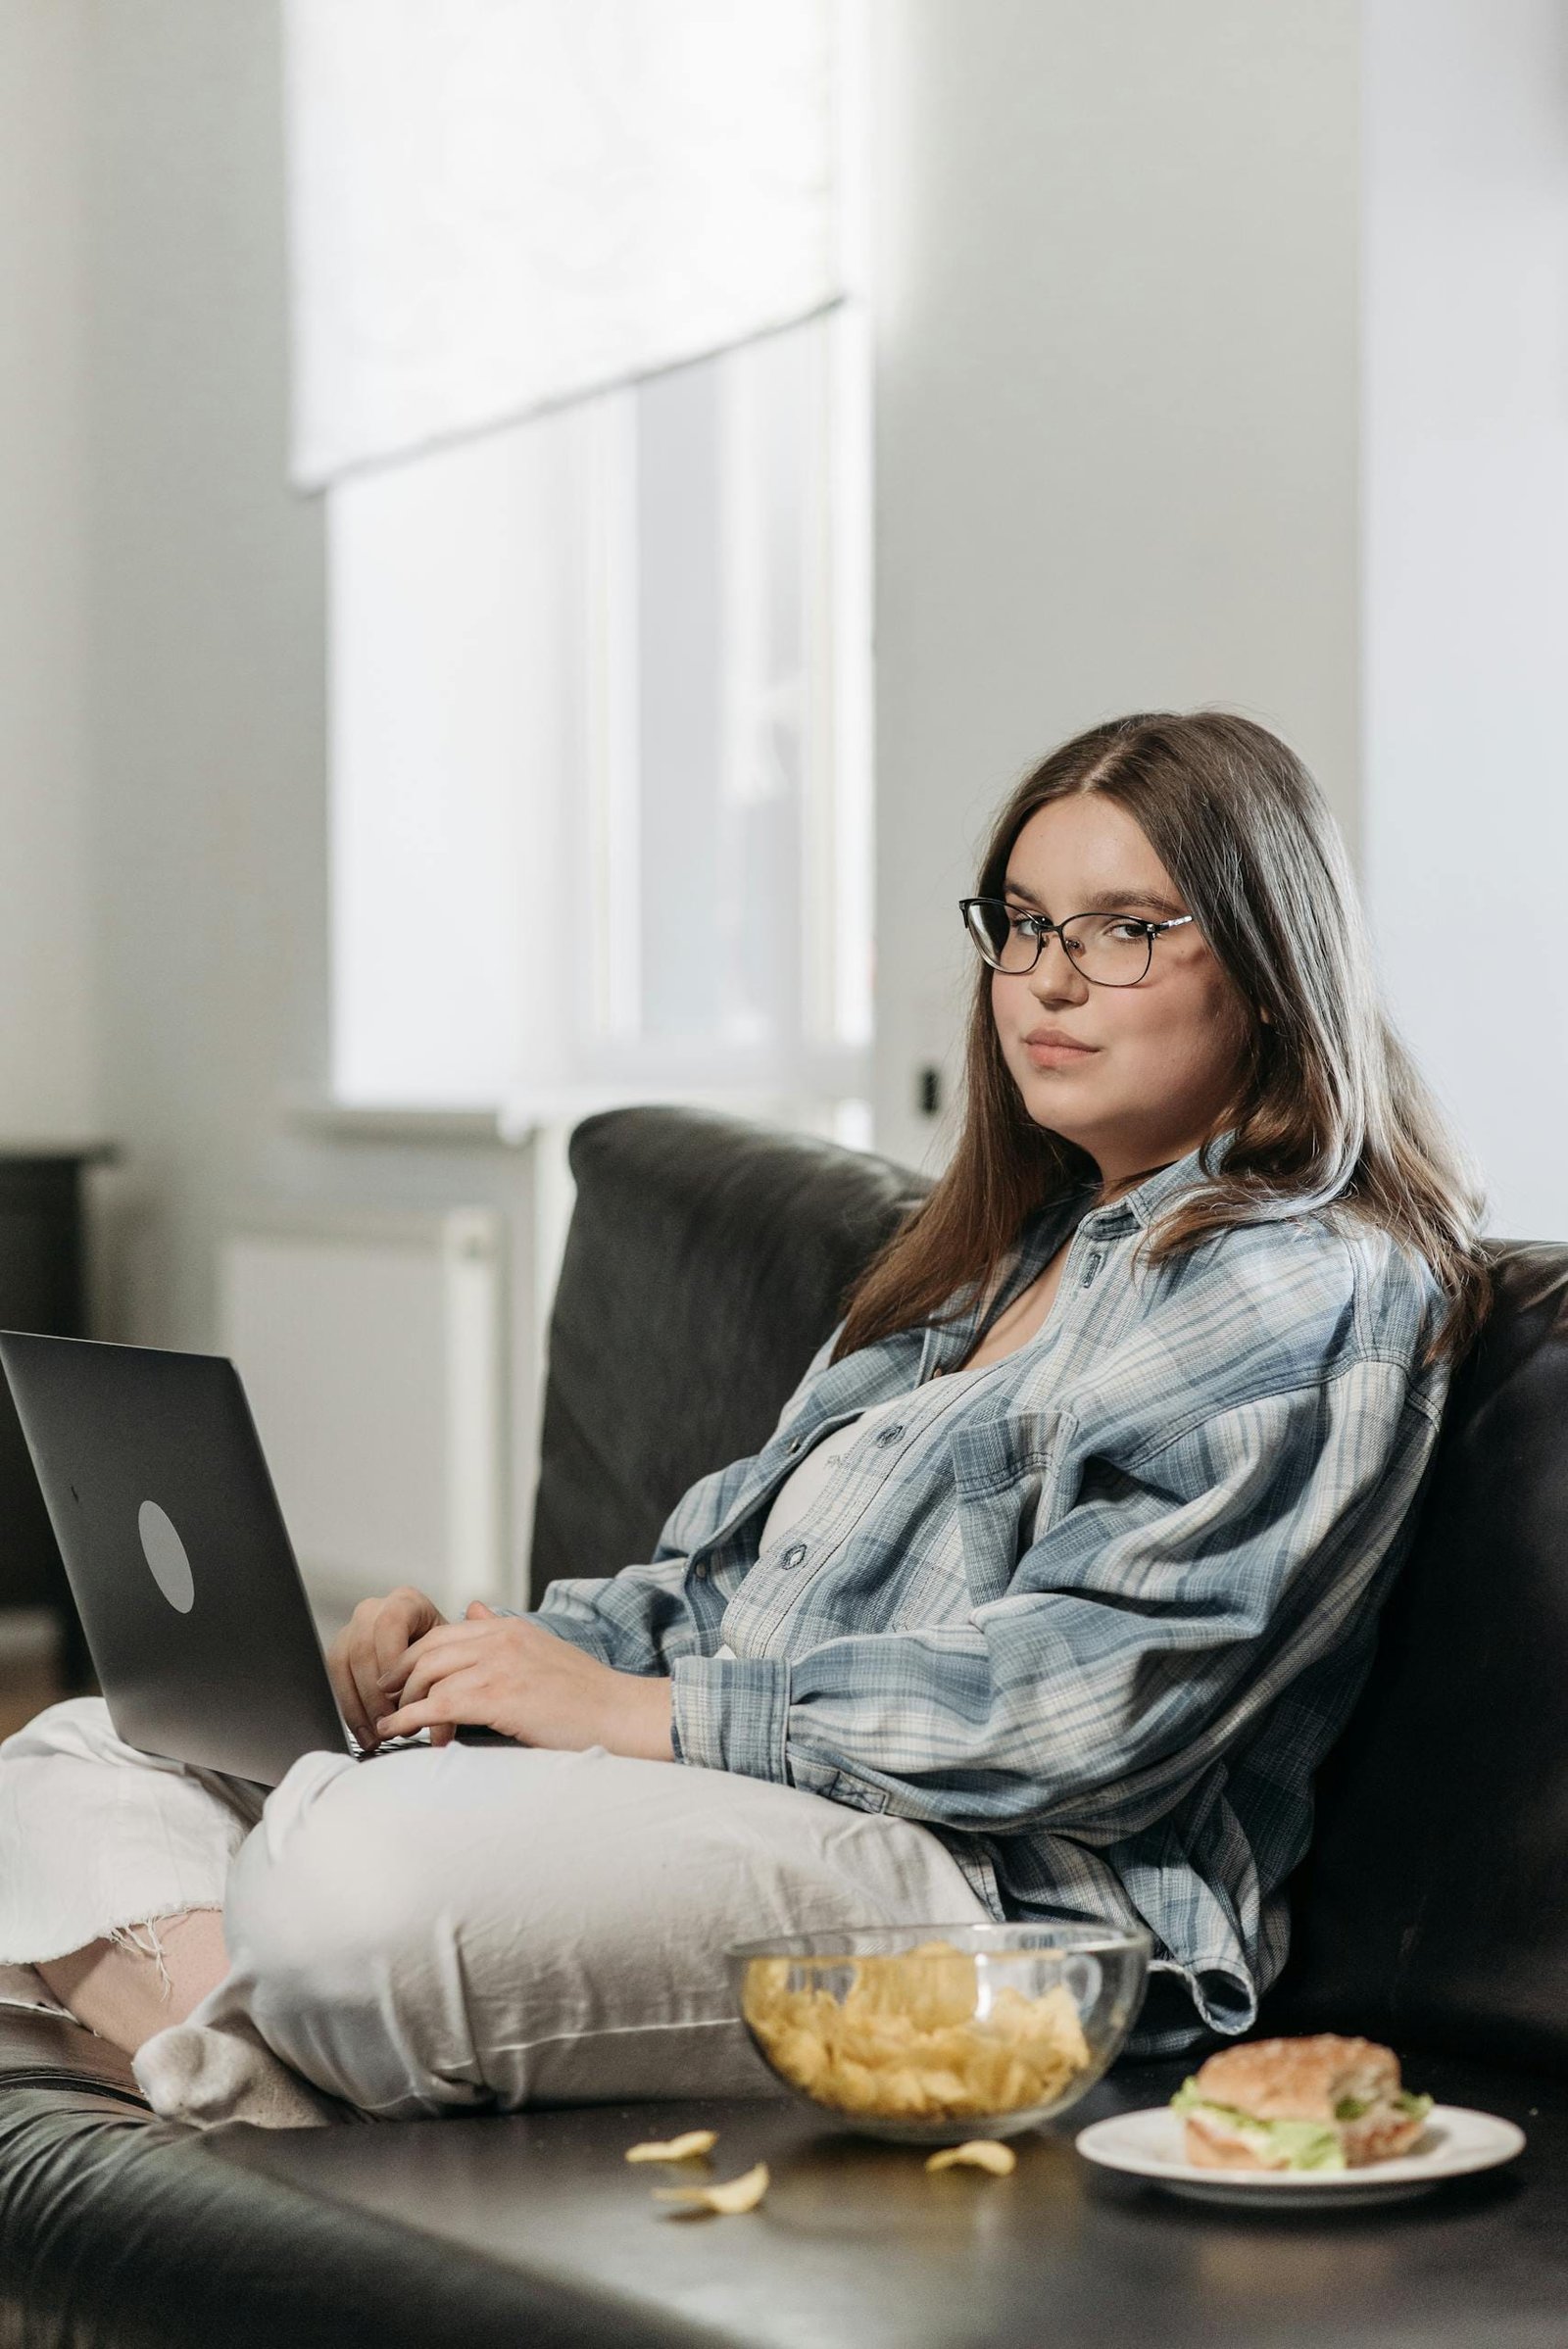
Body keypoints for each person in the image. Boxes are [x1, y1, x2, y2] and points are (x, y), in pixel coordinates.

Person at [0, 710, 1489, 2128]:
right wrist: (488, 1661)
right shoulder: (982, 1267)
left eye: (1121, 927)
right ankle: (260, 2066)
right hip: (746, 1797)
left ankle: (211, 2021)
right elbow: (713, 1592)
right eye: (1023, 923)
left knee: (345, 1873)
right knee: (76, 1754)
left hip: (998, 1900)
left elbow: (1086, 1711)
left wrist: (641, 1716)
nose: (1045, 978)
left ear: (1276, 968)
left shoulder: (1308, 1281)